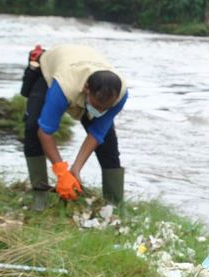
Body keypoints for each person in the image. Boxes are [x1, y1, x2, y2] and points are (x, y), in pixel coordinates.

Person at [20, 43, 128, 210]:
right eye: (97, 105)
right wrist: (61, 172)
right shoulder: (63, 86)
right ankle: (39, 198)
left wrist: (75, 169)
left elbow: (97, 134)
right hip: (52, 68)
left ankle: (114, 205)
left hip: (87, 61)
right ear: (86, 89)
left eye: (105, 108)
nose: (99, 111)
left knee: (108, 143)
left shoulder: (120, 95)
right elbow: (45, 132)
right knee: (33, 127)